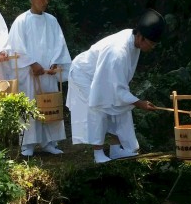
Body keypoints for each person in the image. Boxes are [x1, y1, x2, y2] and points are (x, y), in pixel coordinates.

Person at [66, 9, 165, 163]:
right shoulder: (118, 52)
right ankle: (97, 154)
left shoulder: (133, 40)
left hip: (103, 75)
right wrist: (139, 103)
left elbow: (118, 85)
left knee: (120, 107)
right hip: (83, 74)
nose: (151, 47)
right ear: (140, 36)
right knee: (99, 106)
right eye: (150, 43)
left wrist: (131, 100)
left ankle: (115, 149)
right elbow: (115, 89)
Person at [7, 0, 72, 156]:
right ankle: (27, 144)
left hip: (48, 74)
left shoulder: (51, 21)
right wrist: (32, 63)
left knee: (49, 104)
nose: (45, 2)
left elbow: (60, 44)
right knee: (30, 103)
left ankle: (49, 142)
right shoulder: (22, 20)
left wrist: (54, 64)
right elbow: (15, 47)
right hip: (29, 74)